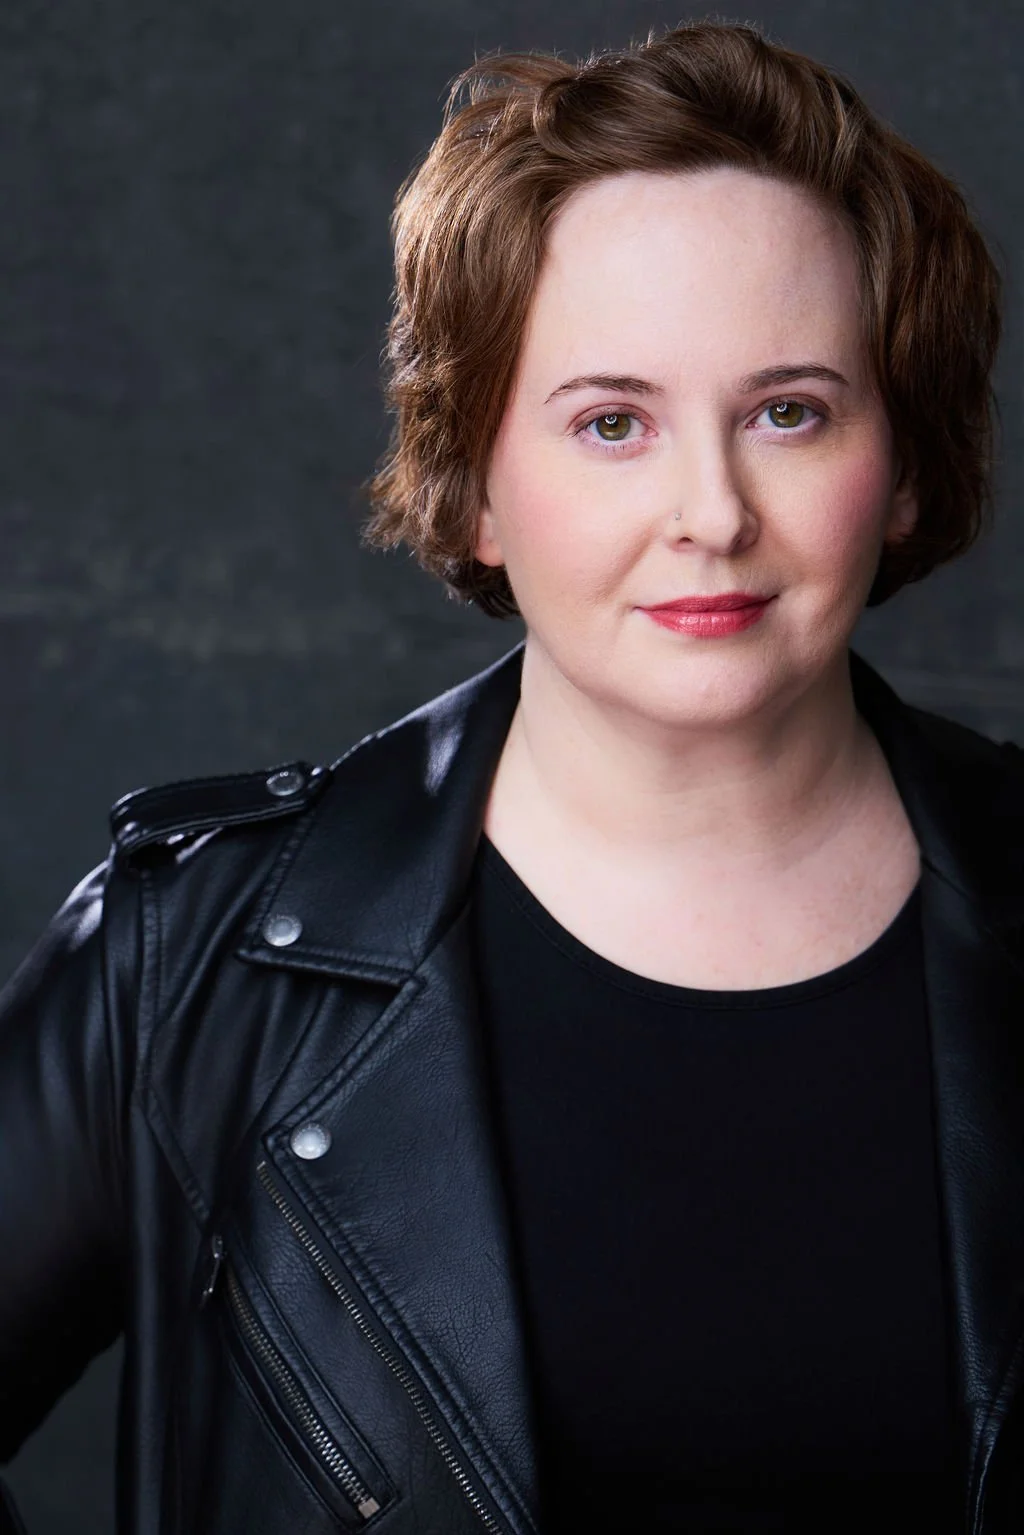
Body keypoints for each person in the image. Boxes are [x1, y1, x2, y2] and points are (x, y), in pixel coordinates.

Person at [0, 18, 1017, 1535]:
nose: (711, 512)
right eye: (613, 422)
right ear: (475, 485)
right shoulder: (185, 958)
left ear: (909, 458)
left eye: (788, 411)